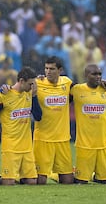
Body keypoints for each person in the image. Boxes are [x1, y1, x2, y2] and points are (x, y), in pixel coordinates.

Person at [70, 64, 106, 184]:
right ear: (86, 75)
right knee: (80, 182)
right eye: (94, 74)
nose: (98, 77)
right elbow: (58, 89)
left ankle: (94, 175)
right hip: (84, 145)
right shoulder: (76, 90)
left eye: (99, 74)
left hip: (103, 144)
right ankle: (60, 175)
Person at [0, 66, 42, 185]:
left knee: (32, 182)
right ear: (21, 81)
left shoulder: (30, 94)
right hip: (10, 146)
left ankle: (21, 177)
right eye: (30, 84)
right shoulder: (5, 94)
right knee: (9, 183)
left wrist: (35, 96)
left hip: (26, 146)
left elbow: (38, 116)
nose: (32, 87)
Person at [33, 56, 74, 184]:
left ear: (60, 70)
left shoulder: (67, 83)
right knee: (40, 181)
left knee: (68, 181)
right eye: (46, 68)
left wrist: (102, 84)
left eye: (52, 69)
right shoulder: (37, 83)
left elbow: (83, 90)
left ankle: (54, 175)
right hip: (43, 139)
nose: (48, 72)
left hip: (62, 139)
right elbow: (18, 87)